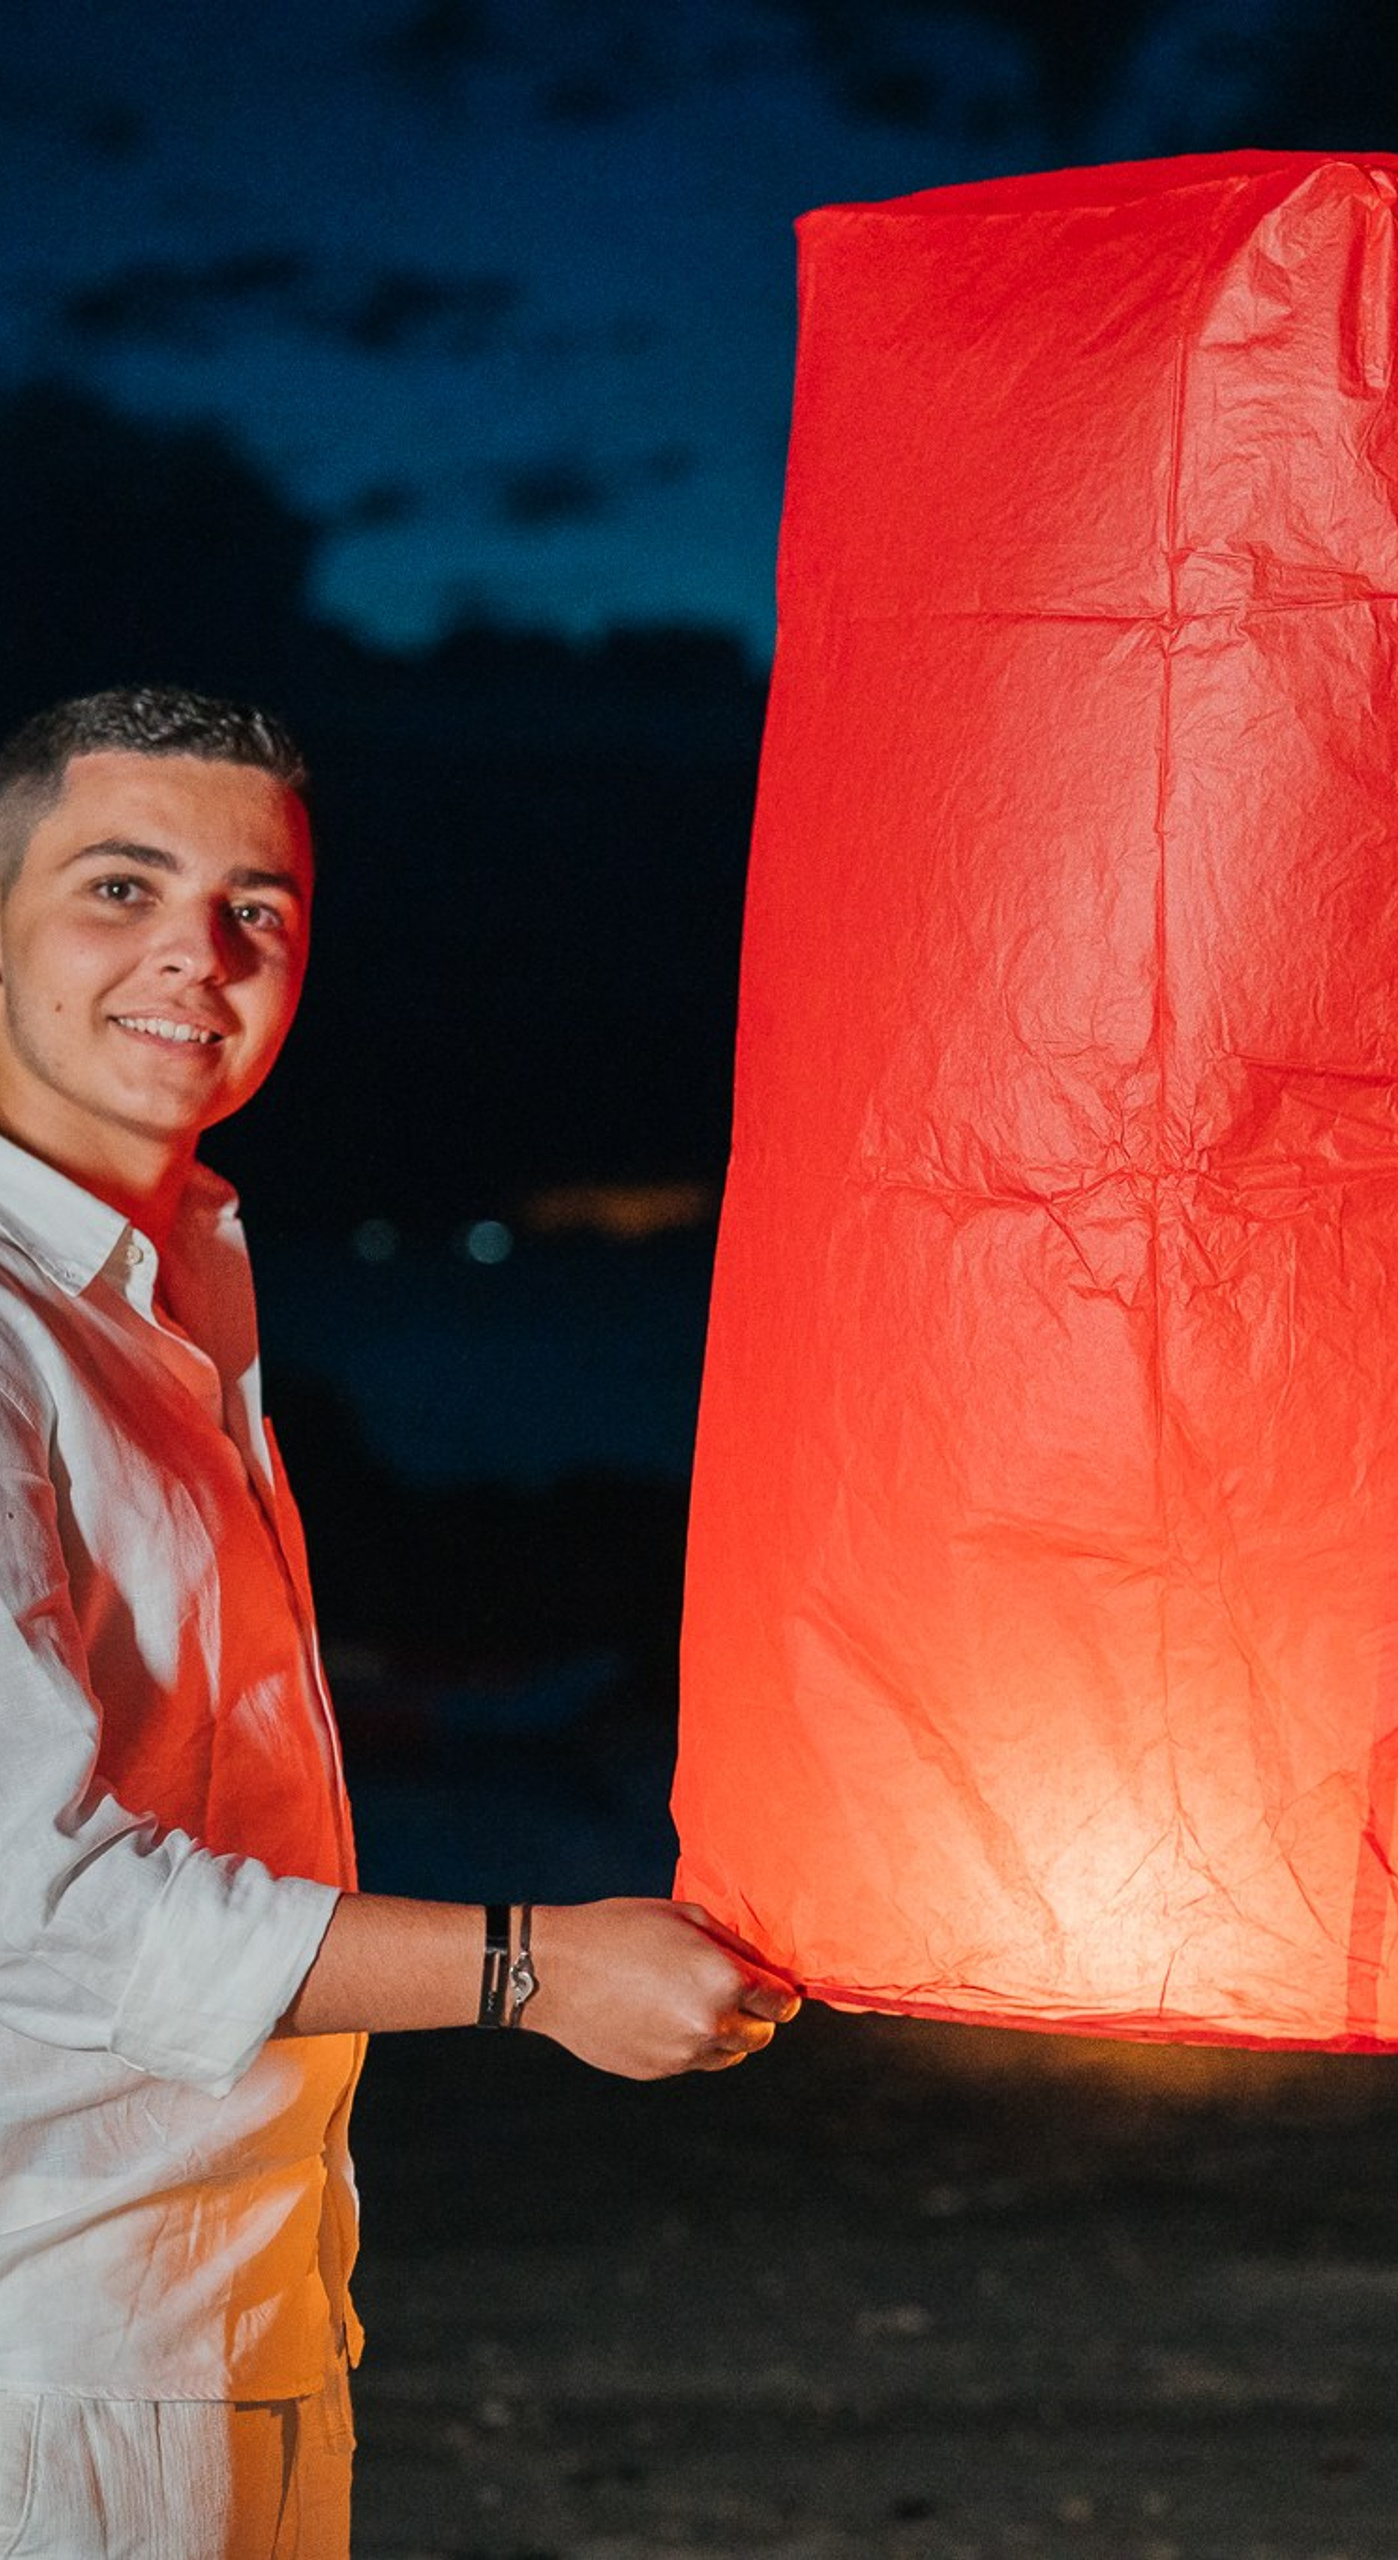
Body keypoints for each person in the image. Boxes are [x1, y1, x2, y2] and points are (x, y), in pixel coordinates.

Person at [0, 687, 800, 2558]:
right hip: (56, 2353)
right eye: (120, 887)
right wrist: (533, 1968)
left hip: (232, 2303)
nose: (196, 958)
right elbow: (43, 1908)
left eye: (254, 908)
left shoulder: (177, 1288)